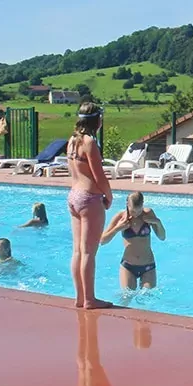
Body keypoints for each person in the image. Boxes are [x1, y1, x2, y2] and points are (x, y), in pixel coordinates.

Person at [67, 102, 114, 309]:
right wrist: (109, 195)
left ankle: (79, 297)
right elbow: (99, 176)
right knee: (88, 253)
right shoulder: (89, 143)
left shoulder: (71, 141)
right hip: (89, 199)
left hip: (73, 196)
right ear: (97, 120)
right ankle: (89, 299)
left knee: (77, 251)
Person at [101, 191, 165, 290]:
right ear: (127, 204)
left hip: (148, 266)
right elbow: (102, 241)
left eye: (139, 211)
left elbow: (162, 237)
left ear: (142, 204)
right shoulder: (120, 217)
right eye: (133, 211)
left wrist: (157, 222)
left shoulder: (148, 213)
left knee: (147, 298)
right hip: (128, 266)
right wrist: (117, 228)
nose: (136, 214)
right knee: (126, 298)